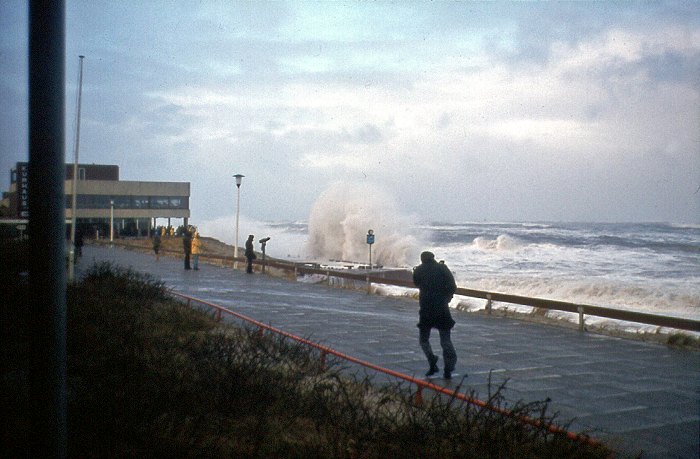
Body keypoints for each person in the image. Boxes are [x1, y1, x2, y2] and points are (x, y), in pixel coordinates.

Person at [412, 251, 458, 379]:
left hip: (426, 309)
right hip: (441, 309)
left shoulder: (419, 270)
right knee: (445, 340)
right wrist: (447, 298)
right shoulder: (442, 268)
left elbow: (416, 283)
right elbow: (452, 286)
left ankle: (432, 360)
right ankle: (448, 368)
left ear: (422, 259)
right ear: (433, 258)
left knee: (423, 340)